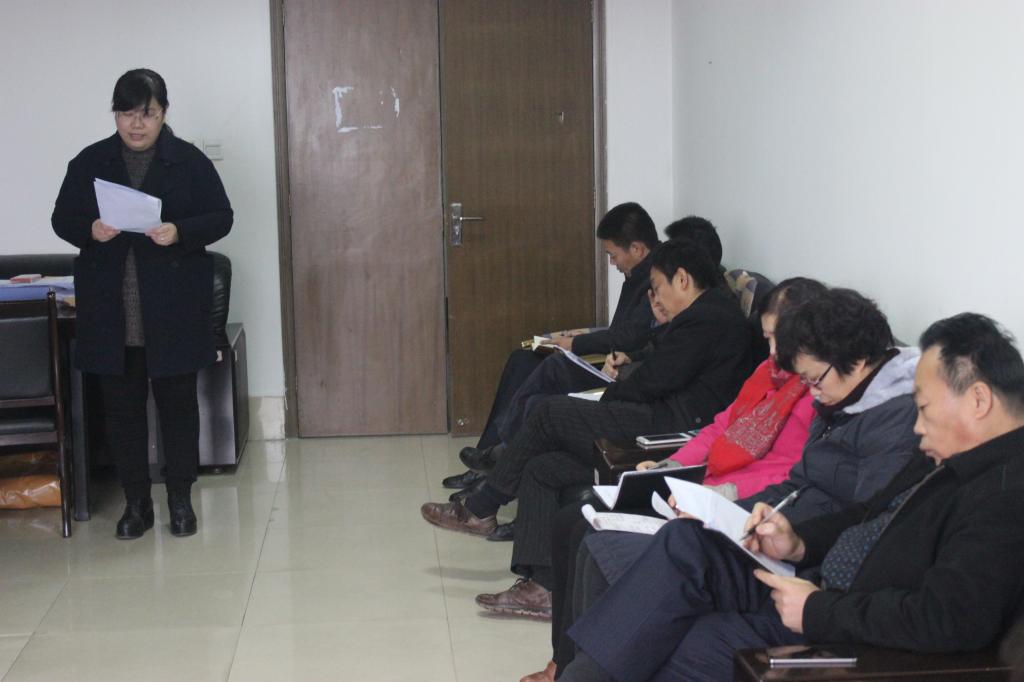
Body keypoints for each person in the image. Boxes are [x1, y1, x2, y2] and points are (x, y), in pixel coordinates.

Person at [560, 313, 1024, 682]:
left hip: (847, 630)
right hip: (815, 583)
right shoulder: (951, 459)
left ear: (978, 400)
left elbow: (948, 620)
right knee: (685, 542)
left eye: (923, 408)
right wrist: (798, 542)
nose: (916, 425)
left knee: (671, 641)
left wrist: (818, 611)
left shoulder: (1005, 495)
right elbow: (864, 515)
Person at [537, 286, 922, 680]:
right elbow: (794, 483)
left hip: (804, 573)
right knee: (662, 540)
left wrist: (794, 546)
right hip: (779, 542)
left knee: (670, 604)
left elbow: (866, 529)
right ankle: (575, 672)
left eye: (815, 379)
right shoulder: (842, 399)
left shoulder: (895, 421)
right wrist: (727, 513)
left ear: (857, 360)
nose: (812, 391)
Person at [497, 278, 824, 644]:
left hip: (730, 503)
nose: (773, 351)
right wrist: (672, 466)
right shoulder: (767, 373)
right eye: (768, 339)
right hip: (700, 483)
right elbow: (721, 427)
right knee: (568, 518)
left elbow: (789, 474)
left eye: (780, 340)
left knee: (587, 532)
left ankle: (578, 657)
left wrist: (719, 493)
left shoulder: (815, 394)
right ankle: (561, 659)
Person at [421, 238, 751, 543]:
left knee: (549, 411)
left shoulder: (706, 319)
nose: (657, 298)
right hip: (664, 414)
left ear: (681, 279)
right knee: (542, 466)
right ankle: (537, 580)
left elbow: (653, 380)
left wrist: (603, 400)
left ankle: (481, 508)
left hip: (670, 428)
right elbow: (660, 368)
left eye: (657, 287)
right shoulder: (709, 313)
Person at [51, 69, 233, 539]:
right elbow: (62, 218)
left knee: (178, 408)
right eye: (126, 113)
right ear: (115, 114)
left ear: (163, 113)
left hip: (172, 307)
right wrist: (90, 229)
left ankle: (180, 501)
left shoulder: (188, 161)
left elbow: (221, 216)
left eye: (147, 113)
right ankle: (136, 504)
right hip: (113, 310)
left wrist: (180, 231)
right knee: (122, 411)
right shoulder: (91, 161)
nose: (136, 124)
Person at [444, 202, 660, 490]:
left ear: (637, 249)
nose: (612, 263)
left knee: (548, 367)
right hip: (613, 355)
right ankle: (489, 454)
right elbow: (621, 330)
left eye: (613, 255)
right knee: (523, 357)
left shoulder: (656, 279)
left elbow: (631, 337)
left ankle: (496, 459)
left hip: (619, 368)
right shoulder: (638, 272)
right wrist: (574, 339)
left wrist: (575, 343)